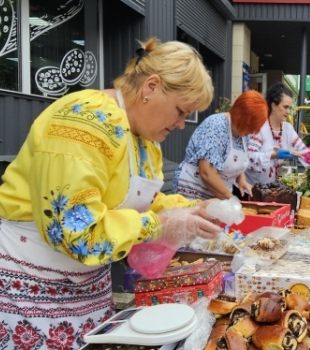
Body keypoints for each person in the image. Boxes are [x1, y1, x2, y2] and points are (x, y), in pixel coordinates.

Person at [0, 38, 223, 349]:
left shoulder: (144, 140)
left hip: (88, 287)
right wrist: (159, 225)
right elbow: (75, 232)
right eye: (180, 111)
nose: (182, 124)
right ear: (151, 87)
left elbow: (144, 200)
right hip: (33, 284)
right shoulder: (85, 120)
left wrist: (194, 209)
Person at [173, 90, 268, 200]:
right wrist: (232, 200)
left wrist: (241, 180)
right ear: (241, 116)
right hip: (193, 193)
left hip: (219, 197)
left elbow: (236, 165)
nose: (251, 132)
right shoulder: (216, 126)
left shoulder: (244, 136)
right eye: (250, 126)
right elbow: (207, 173)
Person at [245, 83, 307, 186]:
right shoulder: (260, 127)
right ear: (273, 106)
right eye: (285, 107)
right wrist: (273, 155)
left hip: (270, 187)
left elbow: (303, 151)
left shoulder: (288, 128)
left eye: (290, 108)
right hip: (249, 188)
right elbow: (248, 158)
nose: (288, 112)